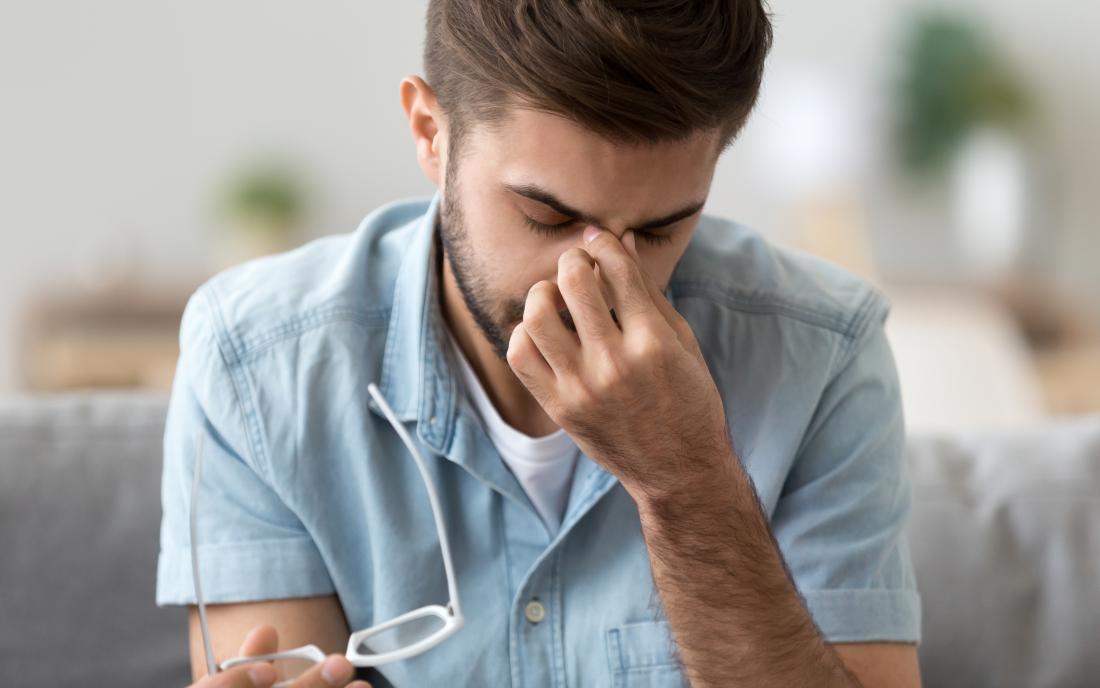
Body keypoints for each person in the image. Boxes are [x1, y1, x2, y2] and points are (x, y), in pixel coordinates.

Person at [158, 1, 923, 686]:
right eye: (547, 216)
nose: (594, 277)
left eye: (659, 230)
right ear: (431, 132)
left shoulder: (823, 355)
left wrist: (686, 486)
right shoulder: (254, 364)